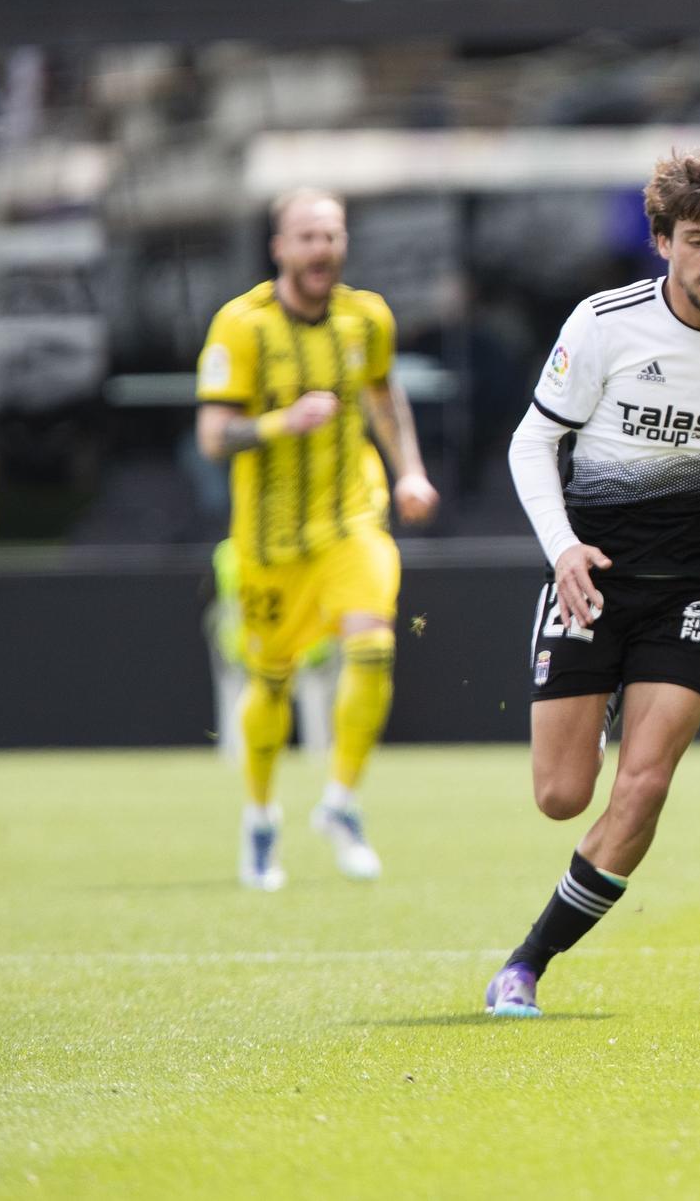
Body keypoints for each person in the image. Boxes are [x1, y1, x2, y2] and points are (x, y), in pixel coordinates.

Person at [487, 151, 700, 1017]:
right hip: (593, 574)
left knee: (647, 782)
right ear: (662, 240)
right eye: (695, 239)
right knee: (562, 796)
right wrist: (561, 549)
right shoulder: (604, 324)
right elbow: (530, 444)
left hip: (697, 586)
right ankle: (595, 701)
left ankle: (526, 963)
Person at [195, 189, 439, 890]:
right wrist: (281, 423)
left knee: (373, 644)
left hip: (350, 519)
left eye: (331, 235)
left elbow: (384, 396)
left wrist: (410, 472)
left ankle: (340, 802)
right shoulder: (241, 327)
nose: (321, 248)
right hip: (270, 542)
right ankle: (262, 818)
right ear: (280, 248)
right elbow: (213, 436)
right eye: (306, 236)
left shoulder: (367, 318)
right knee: (271, 682)